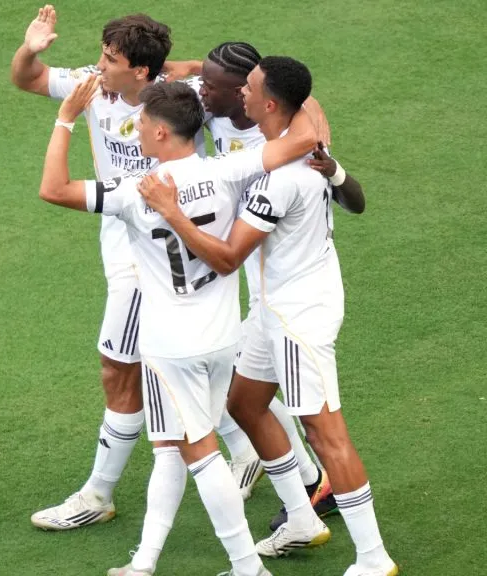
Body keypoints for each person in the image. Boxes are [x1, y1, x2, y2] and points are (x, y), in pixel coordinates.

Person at [38, 75, 318, 576]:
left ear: (163, 133)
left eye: (142, 123)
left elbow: (52, 188)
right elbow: (304, 136)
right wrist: (291, 87)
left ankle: (247, 567)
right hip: (221, 337)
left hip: (171, 346)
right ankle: (143, 563)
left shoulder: (133, 192)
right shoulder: (229, 169)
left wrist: (65, 119)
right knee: (168, 446)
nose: (137, 129)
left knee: (200, 455)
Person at [140, 56, 397, 576]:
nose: (242, 96)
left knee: (326, 433)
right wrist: (336, 168)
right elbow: (354, 197)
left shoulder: (278, 180)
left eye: (250, 89)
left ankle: (374, 558)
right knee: (245, 403)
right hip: (270, 305)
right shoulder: (299, 144)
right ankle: (303, 519)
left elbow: (227, 257)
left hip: (300, 315)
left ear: (270, 104)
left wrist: (171, 213)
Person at [10, 3, 201, 531]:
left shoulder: (186, 100)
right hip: (120, 238)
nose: (99, 64)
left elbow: (237, 80)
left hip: (154, 256)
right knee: (186, 365)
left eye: (110, 57)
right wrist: (31, 48)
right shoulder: (93, 85)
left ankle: (98, 493)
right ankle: (275, 458)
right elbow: (26, 78)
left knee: (122, 370)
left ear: (142, 71)